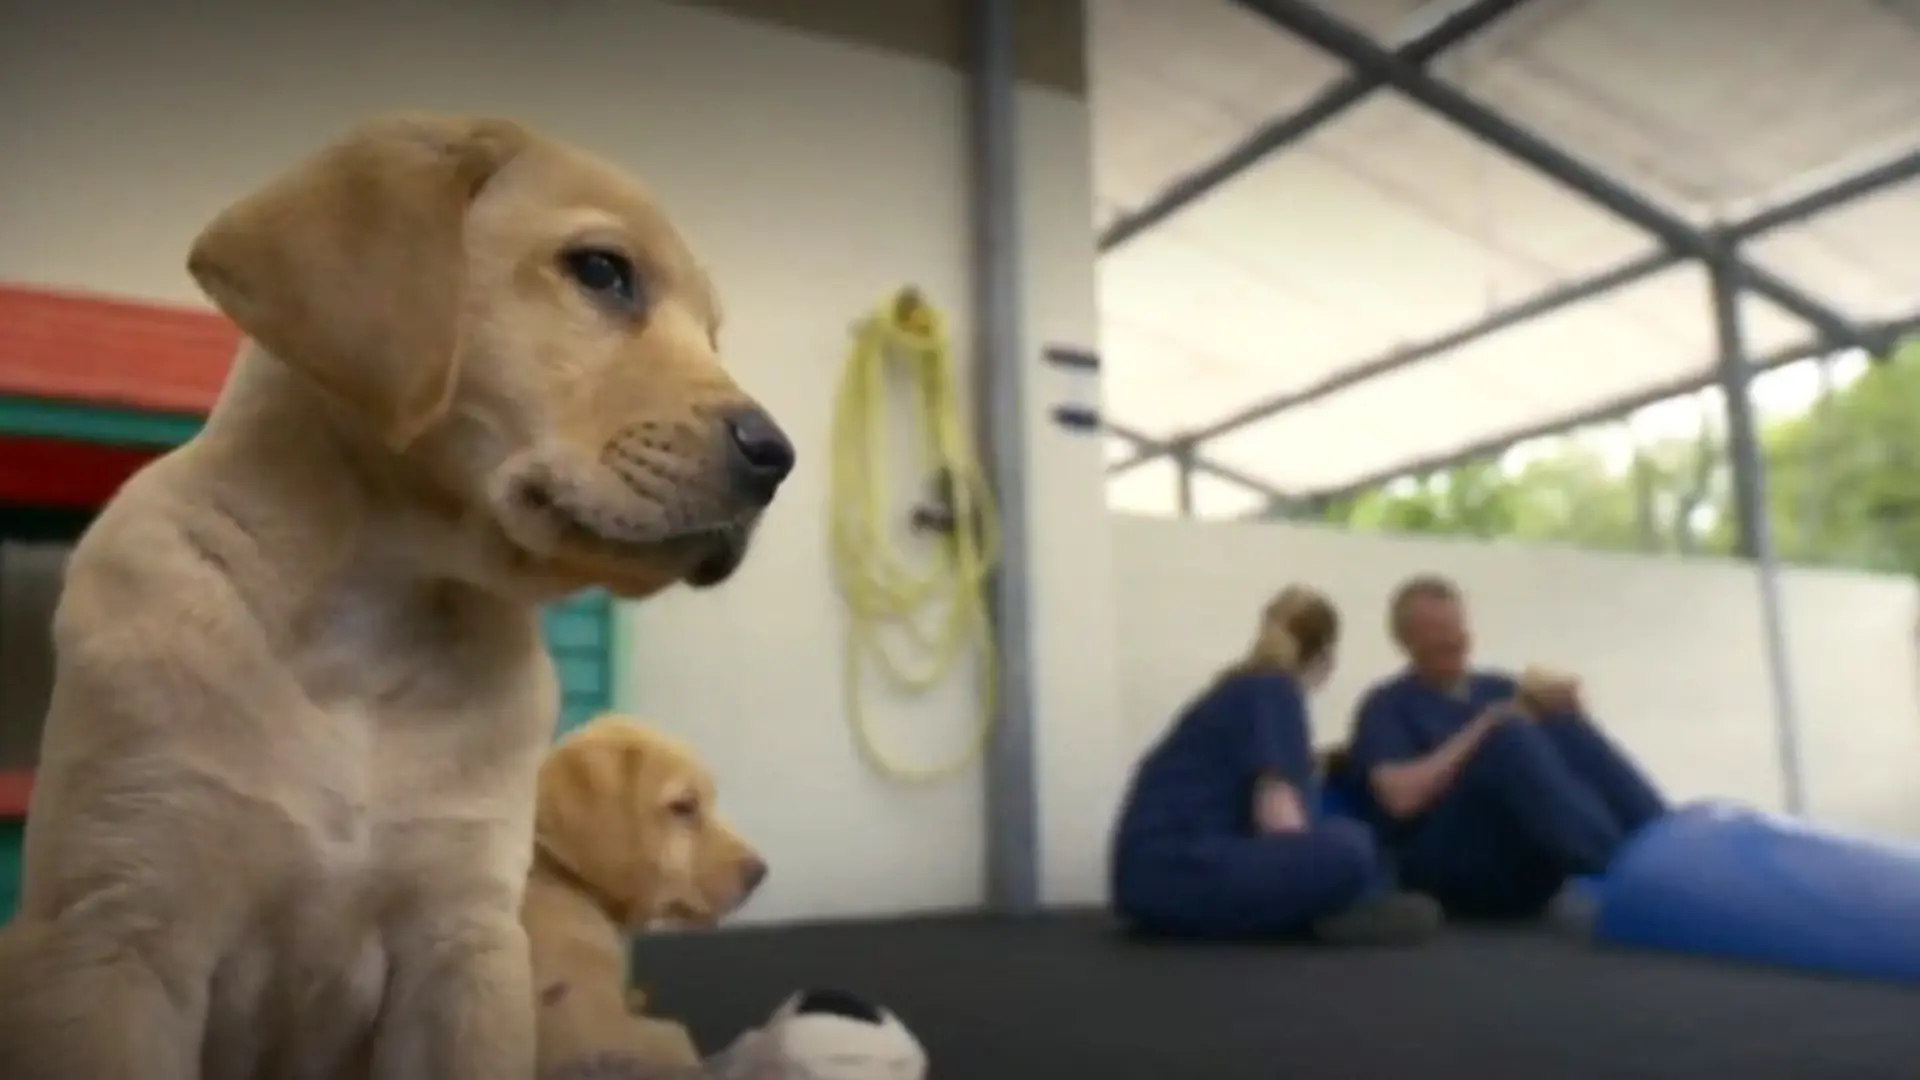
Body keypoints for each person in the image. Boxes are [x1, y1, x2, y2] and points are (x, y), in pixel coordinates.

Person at [1109, 585, 1442, 945]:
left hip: (1150, 879)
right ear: (1326, 658)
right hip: (1180, 872)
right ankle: (1321, 914)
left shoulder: (1238, 689)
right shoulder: (1274, 690)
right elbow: (1280, 821)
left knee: (1363, 855)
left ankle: (1317, 913)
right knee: (1355, 847)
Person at [1342, 574, 1669, 919]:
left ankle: (1668, 845)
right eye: (1437, 631)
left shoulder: (1498, 687)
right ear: (1406, 640)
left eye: (1456, 626)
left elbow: (1558, 770)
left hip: (1522, 856)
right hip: (1446, 861)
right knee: (1508, 735)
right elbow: (1399, 799)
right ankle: (1621, 865)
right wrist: (1483, 728)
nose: (1454, 640)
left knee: (1561, 723)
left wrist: (1567, 709)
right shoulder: (1387, 705)